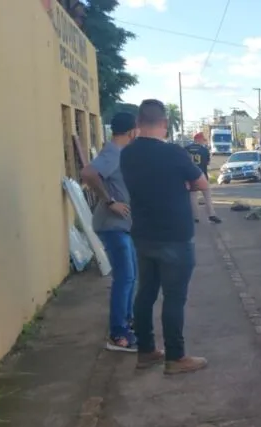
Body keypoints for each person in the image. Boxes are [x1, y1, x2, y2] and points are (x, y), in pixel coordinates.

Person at [120, 99, 209, 375]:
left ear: (137, 123)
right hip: (175, 235)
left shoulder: (128, 153)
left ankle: (145, 351)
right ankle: (175, 356)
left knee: (145, 292)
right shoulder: (173, 153)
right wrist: (183, 183)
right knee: (174, 297)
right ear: (164, 124)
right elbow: (202, 182)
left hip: (143, 234)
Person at [80, 112, 139, 353]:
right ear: (132, 131)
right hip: (112, 226)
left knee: (131, 276)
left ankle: (127, 321)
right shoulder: (113, 152)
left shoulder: (120, 152)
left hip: (124, 226)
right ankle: (117, 333)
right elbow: (88, 174)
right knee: (124, 277)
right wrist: (110, 201)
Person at [184, 132, 222, 224]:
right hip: (202, 175)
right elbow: (207, 163)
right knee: (207, 196)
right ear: (198, 139)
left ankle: (195, 217)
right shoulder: (204, 150)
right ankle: (211, 215)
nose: (203, 141)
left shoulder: (186, 149)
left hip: (190, 176)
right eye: (202, 139)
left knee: (193, 197)